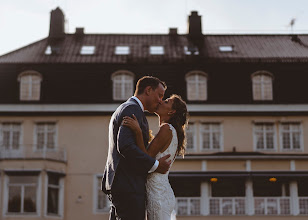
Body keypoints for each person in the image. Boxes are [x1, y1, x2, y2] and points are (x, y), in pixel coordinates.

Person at [102, 76, 172, 220]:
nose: (160, 100)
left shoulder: (127, 108)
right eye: (159, 95)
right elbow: (126, 146)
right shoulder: (132, 109)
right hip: (128, 186)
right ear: (148, 90)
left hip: (122, 184)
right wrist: (156, 165)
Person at [123, 94, 188, 220]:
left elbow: (145, 158)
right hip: (162, 191)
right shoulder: (171, 131)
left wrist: (137, 131)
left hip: (157, 193)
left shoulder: (166, 129)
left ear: (171, 111)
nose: (161, 101)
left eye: (166, 101)